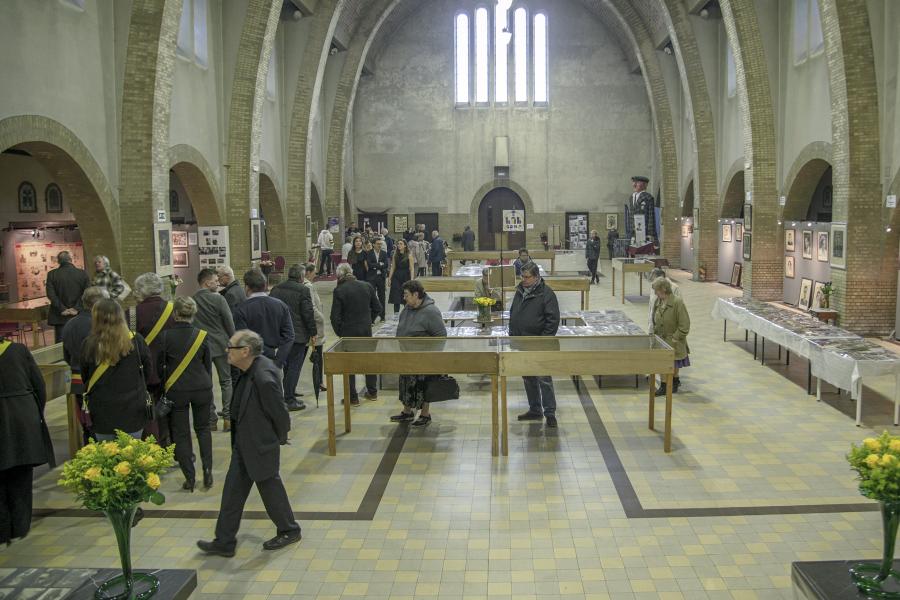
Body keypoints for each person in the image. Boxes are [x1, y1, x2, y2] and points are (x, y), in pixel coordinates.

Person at [197, 330, 301, 557]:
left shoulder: (263, 377)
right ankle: (224, 541)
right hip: (244, 443)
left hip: (260, 444)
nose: (227, 350)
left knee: (270, 489)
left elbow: (280, 413)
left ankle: (289, 530)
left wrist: (278, 438)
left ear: (245, 351)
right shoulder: (248, 370)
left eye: (231, 347)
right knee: (232, 493)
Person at [0, 335, 55, 545]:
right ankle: (21, 526)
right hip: (22, 419)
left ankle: (3, 529)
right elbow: (39, 385)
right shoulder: (18, 350)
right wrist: (33, 412)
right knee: (21, 476)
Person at [156, 297, 214, 492]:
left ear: (175, 314)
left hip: (177, 389)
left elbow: (160, 366)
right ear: (193, 313)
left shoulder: (165, 337)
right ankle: (208, 470)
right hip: (202, 387)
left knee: (181, 434)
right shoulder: (202, 335)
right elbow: (207, 364)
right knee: (203, 429)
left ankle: (190, 478)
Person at [81, 299, 152, 440]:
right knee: (134, 451)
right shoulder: (136, 340)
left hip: (102, 410)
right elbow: (147, 371)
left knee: (105, 452)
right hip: (133, 409)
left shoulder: (89, 344)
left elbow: (85, 376)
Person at [232, 271, 297, 406]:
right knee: (274, 403)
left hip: (251, 364)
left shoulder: (241, 309)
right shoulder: (280, 305)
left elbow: (243, 339)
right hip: (274, 361)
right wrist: (278, 361)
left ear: (247, 287)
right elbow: (289, 335)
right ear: (265, 285)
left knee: (253, 404)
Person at [390, 280, 447, 427]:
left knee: (424, 386)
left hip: (424, 358)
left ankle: (425, 414)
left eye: (406, 295)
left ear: (416, 295)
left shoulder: (431, 311)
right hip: (407, 356)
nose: (404, 298)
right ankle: (407, 412)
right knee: (406, 385)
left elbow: (441, 336)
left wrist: (432, 356)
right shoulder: (407, 309)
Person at [509, 262, 560, 428]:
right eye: (522, 276)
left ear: (536, 277)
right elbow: (514, 313)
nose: (523, 279)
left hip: (539, 345)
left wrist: (542, 341)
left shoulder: (546, 294)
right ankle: (535, 409)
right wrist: (513, 335)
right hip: (522, 342)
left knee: (544, 379)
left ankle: (550, 413)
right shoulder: (520, 291)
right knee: (528, 377)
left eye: (527, 277)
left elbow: (553, 321)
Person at [62, 286, 109, 443]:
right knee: (103, 424)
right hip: (100, 380)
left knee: (86, 422)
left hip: (77, 381)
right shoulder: (101, 325)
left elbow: (66, 356)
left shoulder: (69, 324)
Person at [330, 263, 381, 404]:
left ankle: (352, 397)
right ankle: (372, 392)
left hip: (348, 333)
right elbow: (378, 308)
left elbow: (334, 317)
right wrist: (369, 322)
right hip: (365, 331)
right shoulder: (367, 286)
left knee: (349, 364)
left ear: (339, 276)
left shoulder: (339, 290)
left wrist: (340, 332)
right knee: (368, 361)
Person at [134, 272, 177, 441]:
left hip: (143, 372)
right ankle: (170, 443)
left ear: (141, 291)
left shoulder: (131, 314)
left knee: (148, 410)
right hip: (172, 370)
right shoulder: (174, 310)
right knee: (171, 412)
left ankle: (152, 443)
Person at [193, 268, 236, 430]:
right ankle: (228, 418)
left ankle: (211, 420)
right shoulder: (219, 299)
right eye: (215, 281)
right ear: (206, 283)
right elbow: (229, 323)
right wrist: (234, 341)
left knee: (207, 384)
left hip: (201, 346)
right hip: (221, 345)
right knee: (226, 381)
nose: (218, 283)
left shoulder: (192, 300)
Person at [269, 265, 317, 410]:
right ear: (301, 277)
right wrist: (313, 332)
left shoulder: (276, 289)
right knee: (294, 367)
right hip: (298, 335)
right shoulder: (303, 290)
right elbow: (308, 313)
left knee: (286, 365)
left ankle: (288, 391)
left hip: (281, 334)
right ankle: (289, 399)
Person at [651, 277, 690, 396]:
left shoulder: (677, 302)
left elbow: (684, 325)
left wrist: (675, 338)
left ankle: (670, 385)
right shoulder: (658, 301)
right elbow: (654, 318)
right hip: (661, 340)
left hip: (673, 340)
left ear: (663, 289)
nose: (655, 293)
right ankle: (665, 385)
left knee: (672, 363)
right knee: (662, 363)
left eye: (656, 290)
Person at [46, 250, 91, 342]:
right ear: (71, 259)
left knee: (61, 344)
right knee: (80, 341)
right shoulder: (82, 273)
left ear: (58, 261)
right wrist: (76, 308)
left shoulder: (52, 274)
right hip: (80, 314)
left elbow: (51, 294)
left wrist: (62, 309)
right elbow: (87, 293)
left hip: (60, 316)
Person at [303, 263, 326, 395]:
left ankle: (320, 382)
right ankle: (319, 382)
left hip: (308, 326)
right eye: (314, 272)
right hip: (314, 327)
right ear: (307, 272)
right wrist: (321, 318)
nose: (315, 275)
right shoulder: (308, 286)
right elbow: (312, 307)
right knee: (317, 357)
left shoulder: (306, 285)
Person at [625, 175, 656, 244]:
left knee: (643, 249)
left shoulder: (648, 197)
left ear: (645, 185)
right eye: (633, 182)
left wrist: (650, 233)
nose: (634, 185)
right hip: (633, 232)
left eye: (637, 182)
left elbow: (651, 216)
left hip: (644, 232)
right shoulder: (631, 197)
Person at [388, 238, 415, 314]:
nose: (399, 245)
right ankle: (396, 315)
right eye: (398, 244)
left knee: (406, 296)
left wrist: (412, 280)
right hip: (396, 276)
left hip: (406, 276)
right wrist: (389, 278)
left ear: (405, 245)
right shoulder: (395, 255)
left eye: (401, 244)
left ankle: (407, 314)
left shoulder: (409, 255)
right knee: (396, 297)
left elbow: (412, 268)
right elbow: (393, 267)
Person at [366, 238, 389, 321]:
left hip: (381, 277)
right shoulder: (369, 253)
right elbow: (369, 265)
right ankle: (372, 317)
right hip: (371, 278)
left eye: (380, 244)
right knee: (372, 297)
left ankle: (382, 316)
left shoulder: (384, 253)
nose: (380, 245)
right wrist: (379, 264)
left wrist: (376, 265)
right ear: (373, 244)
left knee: (382, 297)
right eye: (378, 244)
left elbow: (386, 264)